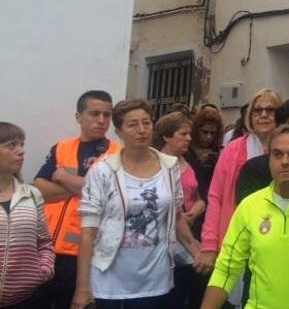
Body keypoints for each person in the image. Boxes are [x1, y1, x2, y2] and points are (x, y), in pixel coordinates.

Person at [73, 99, 201, 309]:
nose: (141, 130)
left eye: (146, 123)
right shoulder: (103, 171)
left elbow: (176, 216)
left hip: (156, 279)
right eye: (132, 125)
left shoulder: (169, 168)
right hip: (110, 280)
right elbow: (88, 232)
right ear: (119, 131)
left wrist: (195, 251)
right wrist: (82, 287)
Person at [201, 125, 289, 309]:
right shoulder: (250, 205)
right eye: (277, 154)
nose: (284, 161)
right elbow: (226, 269)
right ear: (269, 159)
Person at [34, 90, 121, 309]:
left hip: (82, 254)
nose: (102, 120)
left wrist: (63, 177)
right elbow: (39, 188)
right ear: (78, 116)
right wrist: (84, 187)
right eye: (94, 114)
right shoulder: (62, 147)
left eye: (106, 115)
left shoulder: (117, 154)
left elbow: (105, 196)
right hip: (45, 247)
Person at [196, 89, 282, 275]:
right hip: (236, 236)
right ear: (250, 117)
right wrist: (209, 245)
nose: (263, 115)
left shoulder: (288, 150)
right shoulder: (233, 149)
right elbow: (215, 197)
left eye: (270, 110)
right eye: (257, 111)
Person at [155, 112, 206, 309]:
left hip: (189, 234)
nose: (189, 138)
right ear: (167, 136)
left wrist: (194, 212)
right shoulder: (153, 162)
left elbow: (202, 196)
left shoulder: (191, 162)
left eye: (189, 134)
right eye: (183, 134)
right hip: (164, 239)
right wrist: (176, 216)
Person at [0, 122, 55, 309]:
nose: (21, 151)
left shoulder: (31, 194)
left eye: (22, 144)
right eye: (11, 145)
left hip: (27, 300)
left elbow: (45, 242)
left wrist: (42, 271)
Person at [185, 106, 224, 238]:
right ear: (196, 131)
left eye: (213, 134)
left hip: (211, 210)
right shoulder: (185, 152)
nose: (208, 137)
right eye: (205, 132)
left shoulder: (219, 155)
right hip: (188, 209)